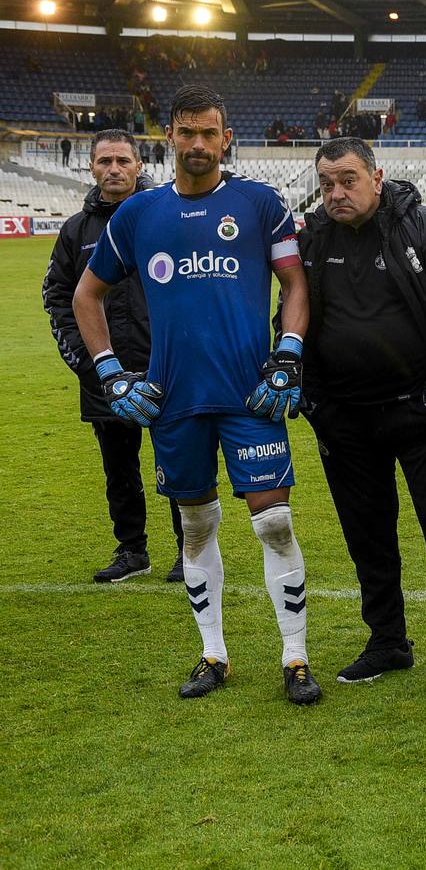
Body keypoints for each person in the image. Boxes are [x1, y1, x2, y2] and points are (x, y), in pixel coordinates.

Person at [72, 84, 320, 704]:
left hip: (249, 394)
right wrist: (110, 373)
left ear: (226, 137)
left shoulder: (262, 205)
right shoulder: (137, 216)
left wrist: (287, 355)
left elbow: (294, 285)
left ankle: (295, 659)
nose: (199, 144)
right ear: (169, 138)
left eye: (210, 133)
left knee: (275, 521)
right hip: (174, 398)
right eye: (187, 133)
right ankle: (213, 655)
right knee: (196, 526)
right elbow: (86, 295)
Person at [296, 137, 426, 695]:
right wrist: (316, 406)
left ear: (377, 178)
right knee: (367, 535)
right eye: (326, 183)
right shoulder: (310, 241)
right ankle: (387, 642)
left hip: (422, 417)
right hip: (344, 420)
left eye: (348, 180)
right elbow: (291, 318)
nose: (336, 193)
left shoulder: (425, 230)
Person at [42, 129, 184, 583]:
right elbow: (57, 295)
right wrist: (87, 362)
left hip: (166, 370)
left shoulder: (168, 216)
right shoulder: (75, 231)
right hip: (106, 375)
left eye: (123, 160)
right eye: (105, 161)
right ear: (91, 167)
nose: (114, 169)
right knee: (119, 470)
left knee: (182, 466)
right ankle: (132, 551)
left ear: (140, 165)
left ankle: (191, 551)